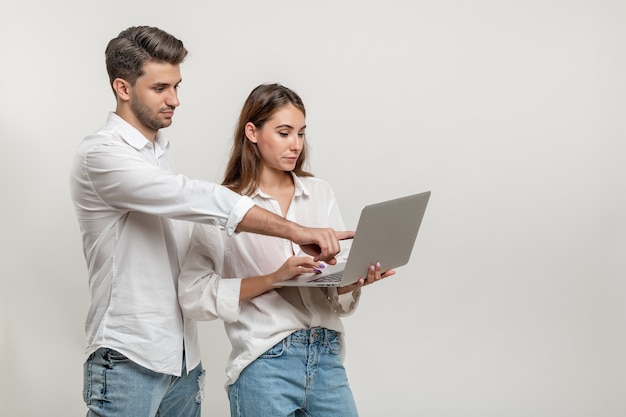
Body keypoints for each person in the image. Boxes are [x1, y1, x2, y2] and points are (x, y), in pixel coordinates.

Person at [69, 27, 351, 417]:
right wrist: (295, 232)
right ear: (123, 87)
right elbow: (199, 198)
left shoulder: (160, 156)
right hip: (128, 354)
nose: (175, 100)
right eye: (161, 88)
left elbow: (190, 273)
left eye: (177, 86)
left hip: (182, 359)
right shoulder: (101, 155)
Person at [178, 83, 395, 416]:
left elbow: (336, 297)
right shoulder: (224, 205)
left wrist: (354, 280)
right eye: (284, 133)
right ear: (252, 131)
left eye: (301, 133)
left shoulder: (319, 192)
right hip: (266, 361)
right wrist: (273, 279)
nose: (296, 145)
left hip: (327, 356)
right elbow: (193, 295)